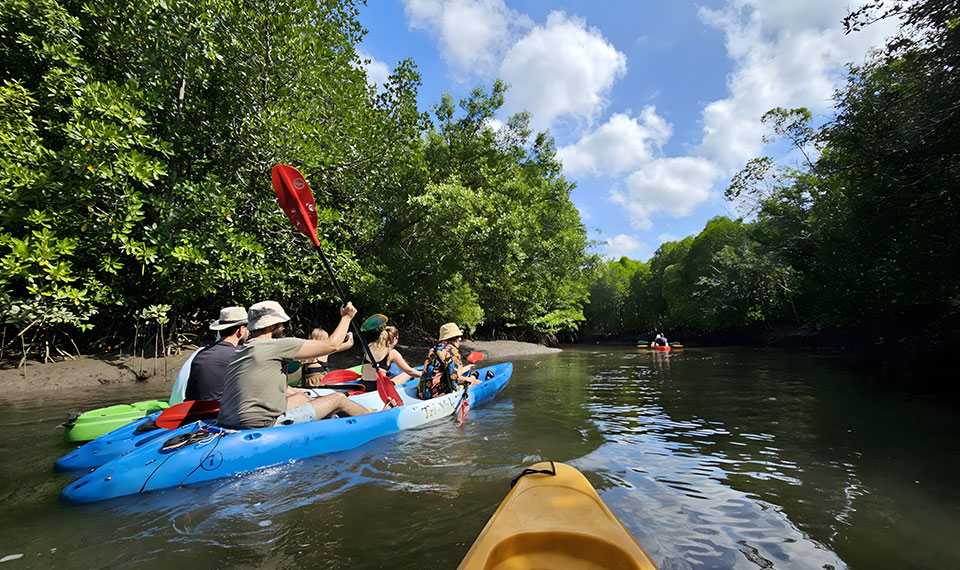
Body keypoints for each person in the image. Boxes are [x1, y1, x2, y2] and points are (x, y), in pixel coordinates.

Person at [217, 300, 395, 430]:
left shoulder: (240, 351)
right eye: (282, 323)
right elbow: (331, 345)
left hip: (228, 420)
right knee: (338, 399)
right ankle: (377, 419)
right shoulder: (276, 345)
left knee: (303, 397)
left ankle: (332, 420)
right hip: (261, 424)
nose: (284, 327)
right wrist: (346, 317)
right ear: (273, 325)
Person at [184, 306, 249, 401]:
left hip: (194, 409)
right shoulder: (238, 356)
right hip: (218, 409)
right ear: (241, 330)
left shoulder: (201, 354)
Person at [416, 322, 480, 400]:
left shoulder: (433, 349)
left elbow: (445, 370)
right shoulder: (452, 352)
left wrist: (468, 367)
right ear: (453, 338)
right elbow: (454, 379)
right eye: (458, 337)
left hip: (421, 391)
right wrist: (468, 379)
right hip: (434, 393)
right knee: (475, 381)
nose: (460, 340)